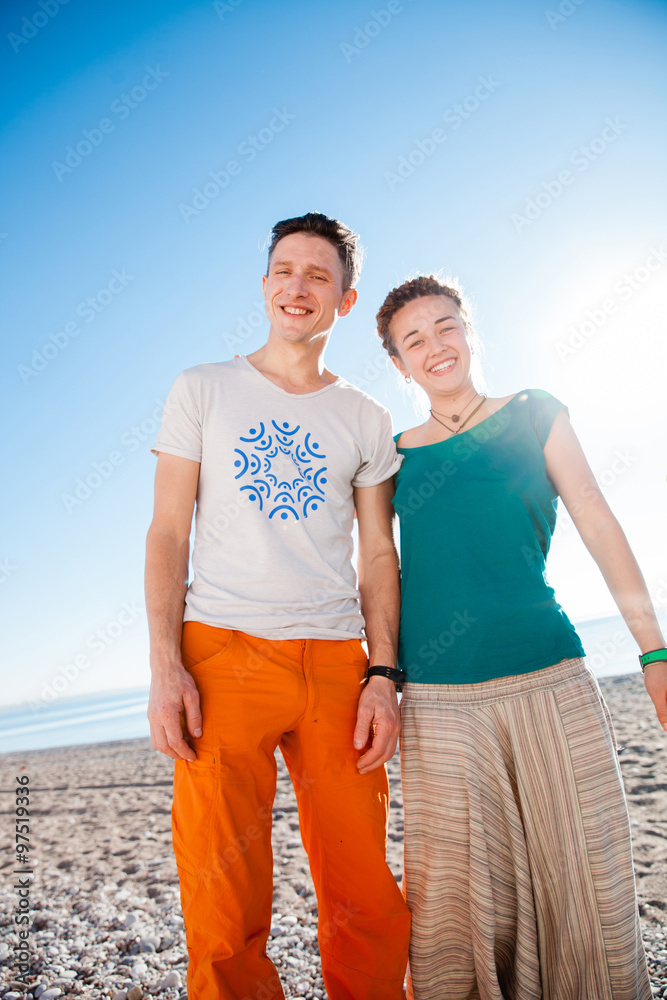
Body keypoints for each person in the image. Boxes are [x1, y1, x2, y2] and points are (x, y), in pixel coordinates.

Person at [375, 274, 667, 1000]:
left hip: (549, 674)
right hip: (439, 703)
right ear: (397, 363)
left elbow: (598, 522)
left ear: (468, 330)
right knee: (454, 896)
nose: (434, 346)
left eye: (445, 326)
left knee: (582, 870)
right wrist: (380, 676)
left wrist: (654, 650)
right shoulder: (390, 456)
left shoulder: (535, 413)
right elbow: (375, 571)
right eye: (414, 339)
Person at [145, 212, 410, 1000]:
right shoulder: (201, 389)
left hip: (335, 663)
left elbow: (378, 555)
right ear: (265, 285)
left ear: (345, 300)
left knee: (364, 889)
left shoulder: (366, 418)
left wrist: (383, 675)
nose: (298, 287)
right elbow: (166, 532)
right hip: (221, 655)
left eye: (317, 276)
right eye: (284, 271)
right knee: (223, 899)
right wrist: (166, 667)